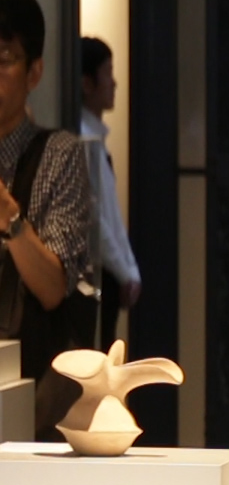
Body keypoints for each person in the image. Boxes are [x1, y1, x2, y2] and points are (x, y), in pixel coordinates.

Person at [0, 0, 94, 390]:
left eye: (3, 59)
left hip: (29, 389)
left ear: (34, 72)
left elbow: (53, 288)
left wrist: (8, 215)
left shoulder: (60, 155)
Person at [78, 36, 141, 348]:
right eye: (107, 73)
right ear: (87, 83)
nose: (114, 83)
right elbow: (95, 217)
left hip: (110, 271)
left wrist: (128, 268)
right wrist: (125, 269)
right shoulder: (82, 140)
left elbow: (110, 216)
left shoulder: (95, 140)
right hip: (99, 274)